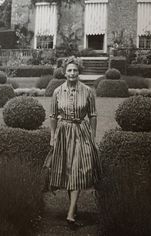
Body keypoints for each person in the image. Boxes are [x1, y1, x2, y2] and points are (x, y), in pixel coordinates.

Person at [46, 56, 102, 229]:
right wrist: (53, 136)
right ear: (64, 73)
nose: (72, 73)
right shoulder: (57, 92)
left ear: (79, 72)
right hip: (63, 133)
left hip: (81, 132)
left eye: (75, 70)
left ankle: (70, 214)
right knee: (68, 171)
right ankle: (73, 206)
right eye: (69, 70)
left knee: (78, 168)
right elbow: (53, 116)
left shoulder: (87, 91)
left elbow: (93, 115)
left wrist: (92, 135)